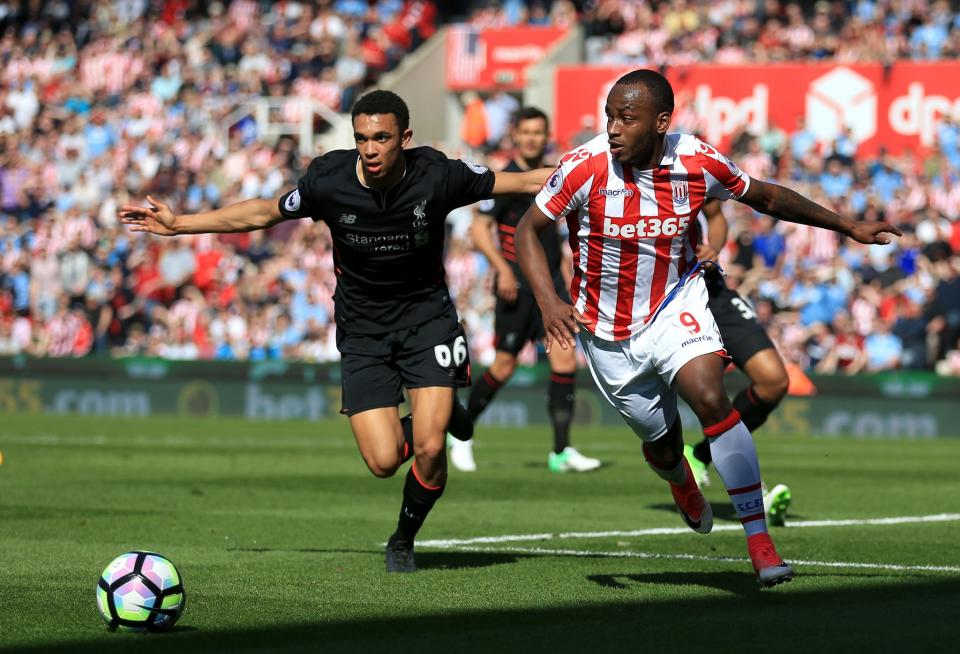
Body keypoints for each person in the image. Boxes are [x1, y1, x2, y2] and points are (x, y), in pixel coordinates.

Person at [120, 90, 552, 574]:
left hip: (427, 322)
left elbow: (524, 180)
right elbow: (264, 211)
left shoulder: (439, 174)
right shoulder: (329, 180)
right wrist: (181, 226)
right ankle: (444, 412)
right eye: (362, 138)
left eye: (382, 138)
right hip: (363, 331)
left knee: (430, 449)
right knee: (384, 461)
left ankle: (403, 539)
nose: (370, 148)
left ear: (404, 138)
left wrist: (601, 171)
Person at [515, 70, 900, 587]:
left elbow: (764, 197)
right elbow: (527, 230)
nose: (613, 128)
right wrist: (547, 299)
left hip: (677, 303)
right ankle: (681, 482)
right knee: (664, 446)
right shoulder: (584, 167)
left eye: (627, 118)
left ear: (661, 122)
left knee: (709, 394)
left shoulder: (696, 159)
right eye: (609, 116)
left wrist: (846, 225)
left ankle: (760, 544)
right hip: (606, 331)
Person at [450, 107, 601, 474]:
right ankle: (462, 434)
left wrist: (569, 281)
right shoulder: (506, 178)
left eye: (538, 132)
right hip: (516, 286)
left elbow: (560, 237)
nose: (532, 138)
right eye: (526, 132)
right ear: (515, 135)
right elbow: (480, 229)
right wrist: (502, 269)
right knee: (504, 365)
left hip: (551, 288)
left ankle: (561, 451)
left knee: (565, 359)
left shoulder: (556, 175)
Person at [685, 199, 792, 526]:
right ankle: (754, 498)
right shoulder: (625, 173)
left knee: (774, 380)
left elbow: (715, 215)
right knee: (711, 400)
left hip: (716, 293)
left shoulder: (690, 161)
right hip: (671, 297)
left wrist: (713, 247)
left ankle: (700, 455)